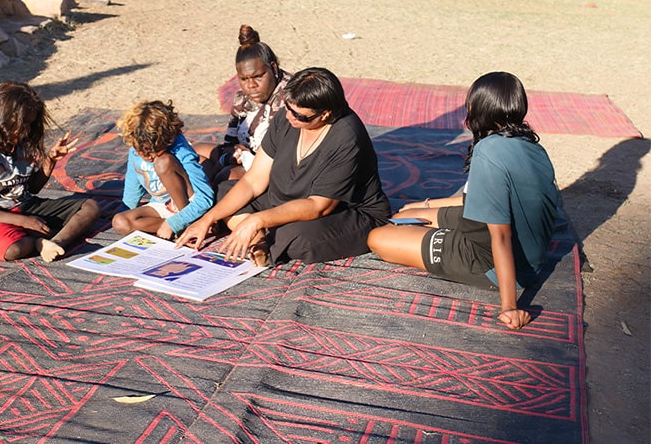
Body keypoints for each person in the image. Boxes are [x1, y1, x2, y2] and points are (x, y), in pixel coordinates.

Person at [367, 71, 559, 330]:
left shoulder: (487, 151)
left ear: (478, 109)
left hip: (485, 256)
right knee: (402, 217)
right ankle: (427, 228)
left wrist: (510, 307)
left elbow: (500, 236)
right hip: (487, 229)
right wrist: (424, 205)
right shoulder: (530, 144)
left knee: (378, 238)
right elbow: (479, 198)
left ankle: (441, 243)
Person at [176, 67, 392, 267]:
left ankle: (261, 236)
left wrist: (258, 219)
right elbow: (253, 180)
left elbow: (319, 206)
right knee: (226, 191)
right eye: (288, 108)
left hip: (344, 211)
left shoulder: (346, 137)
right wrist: (206, 220)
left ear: (324, 114)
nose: (289, 117)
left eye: (298, 115)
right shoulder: (286, 118)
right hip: (287, 197)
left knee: (299, 236)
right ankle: (258, 239)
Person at [0, 81, 100, 263]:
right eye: (24, 124)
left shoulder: (22, 145)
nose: (27, 131)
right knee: (12, 249)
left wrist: (51, 160)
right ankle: (38, 240)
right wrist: (23, 222)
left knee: (90, 207)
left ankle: (55, 242)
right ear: (4, 119)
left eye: (31, 124)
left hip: (24, 205)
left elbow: (31, 188)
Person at [194, 24, 292, 186]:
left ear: (273, 68)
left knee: (225, 177)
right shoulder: (242, 98)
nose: (251, 85)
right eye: (244, 79)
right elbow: (229, 142)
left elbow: (283, 152)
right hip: (244, 156)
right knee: (194, 153)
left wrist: (247, 158)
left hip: (272, 165)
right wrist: (235, 151)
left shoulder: (289, 96)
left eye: (258, 77)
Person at [112, 100, 214, 240]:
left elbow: (205, 198)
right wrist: (127, 210)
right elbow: (133, 185)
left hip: (188, 204)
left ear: (169, 140)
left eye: (154, 151)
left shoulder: (181, 151)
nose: (148, 157)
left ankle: (188, 223)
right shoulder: (136, 148)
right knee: (120, 222)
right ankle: (187, 228)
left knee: (162, 163)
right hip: (162, 205)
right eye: (142, 151)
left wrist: (175, 222)